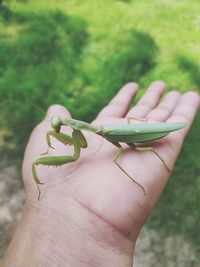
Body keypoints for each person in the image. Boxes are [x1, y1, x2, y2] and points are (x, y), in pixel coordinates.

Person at [2, 81, 199, 267]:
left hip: (146, 135)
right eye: (56, 127)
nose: (56, 129)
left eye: (58, 126)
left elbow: (77, 152)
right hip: (133, 131)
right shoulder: (93, 131)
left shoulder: (99, 133)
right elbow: (81, 144)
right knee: (121, 150)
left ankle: (152, 162)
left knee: (119, 156)